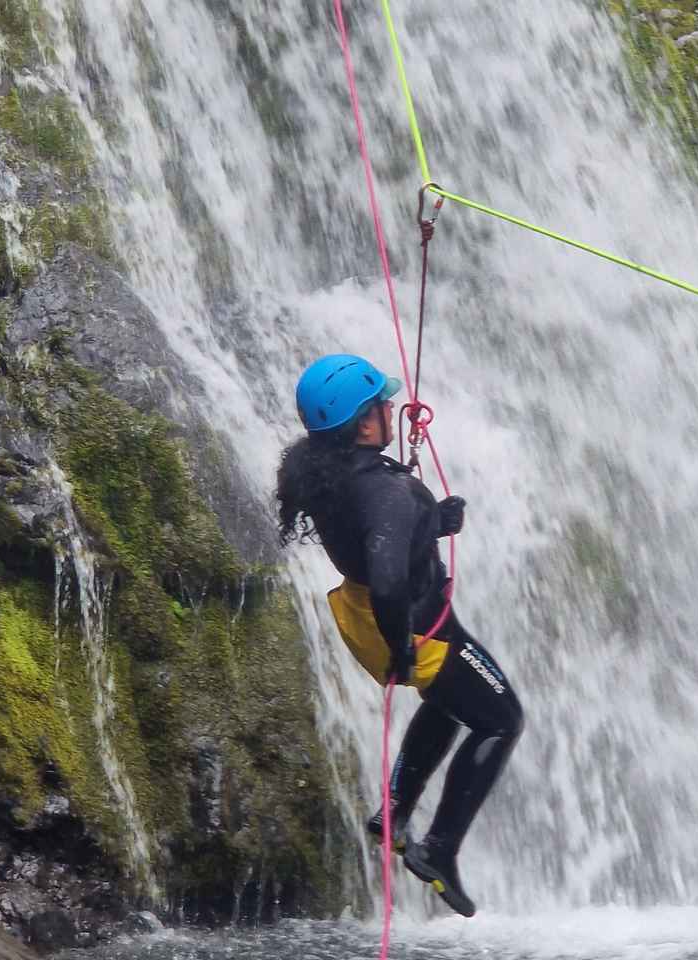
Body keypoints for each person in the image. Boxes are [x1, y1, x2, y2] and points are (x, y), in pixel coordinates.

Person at [275, 353, 524, 918]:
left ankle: (393, 810)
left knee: (447, 703)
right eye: (382, 406)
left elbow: (373, 538)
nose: (391, 409)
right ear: (364, 424)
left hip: (362, 617)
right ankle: (439, 849)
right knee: (502, 719)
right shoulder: (388, 492)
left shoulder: (325, 472)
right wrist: (405, 646)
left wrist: (435, 521)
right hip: (411, 625)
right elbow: (389, 575)